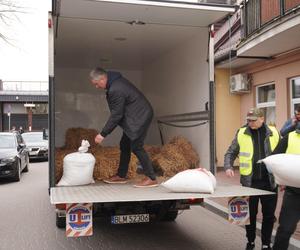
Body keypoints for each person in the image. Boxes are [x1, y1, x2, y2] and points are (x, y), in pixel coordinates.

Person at [89, 67, 158, 188]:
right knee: (125, 144)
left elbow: (117, 115)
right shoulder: (115, 84)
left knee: (136, 146)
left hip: (140, 117)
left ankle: (151, 178)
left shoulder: (116, 88)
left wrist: (103, 134)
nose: (96, 87)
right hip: (135, 117)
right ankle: (121, 175)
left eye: (96, 84)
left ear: (103, 78)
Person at [224, 108, 280, 250]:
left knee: (268, 215)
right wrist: (228, 166)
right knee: (250, 215)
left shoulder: (274, 133)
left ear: (262, 118)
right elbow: (230, 152)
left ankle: (266, 244)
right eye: (248, 120)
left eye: (253, 120)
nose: (250, 123)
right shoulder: (242, 132)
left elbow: (282, 154)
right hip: (249, 183)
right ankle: (251, 242)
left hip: (270, 182)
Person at [272, 122, 300, 250]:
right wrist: (282, 177)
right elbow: (274, 158)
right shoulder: (290, 137)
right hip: (293, 194)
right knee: (285, 230)